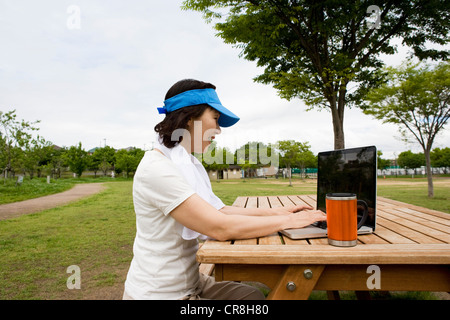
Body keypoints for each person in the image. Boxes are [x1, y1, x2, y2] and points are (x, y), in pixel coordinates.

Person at [123, 79, 327, 300]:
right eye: (216, 119)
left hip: (192, 282)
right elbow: (219, 227)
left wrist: (282, 212)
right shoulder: (158, 168)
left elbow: (220, 210)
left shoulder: (188, 163)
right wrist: (288, 223)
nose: (219, 130)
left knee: (252, 297)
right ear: (190, 118)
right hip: (162, 294)